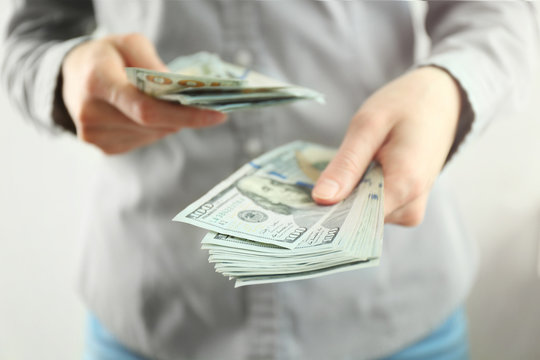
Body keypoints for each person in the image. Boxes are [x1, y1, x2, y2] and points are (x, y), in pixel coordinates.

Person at [2, 2, 538, 359]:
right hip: (155, 310)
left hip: (395, 313)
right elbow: (27, 39)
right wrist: (64, 78)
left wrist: (448, 89)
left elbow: (499, 11)